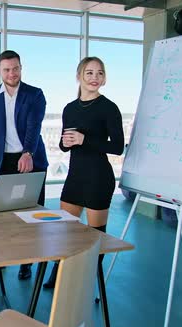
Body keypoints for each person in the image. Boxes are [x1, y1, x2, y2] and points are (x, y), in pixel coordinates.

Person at [43, 56, 124, 289]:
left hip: (99, 177)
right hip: (75, 177)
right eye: (89, 73)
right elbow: (62, 144)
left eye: (99, 73)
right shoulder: (69, 109)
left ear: (105, 78)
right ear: (79, 76)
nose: (94, 78)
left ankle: (91, 277)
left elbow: (117, 147)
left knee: (95, 234)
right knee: (65, 229)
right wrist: (66, 143)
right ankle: (58, 272)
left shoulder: (109, 108)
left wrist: (85, 139)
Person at [0, 50, 48, 281]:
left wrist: (27, 152)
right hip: (4, 161)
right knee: (2, 215)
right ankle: (3, 257)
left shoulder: (35, 94)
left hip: (32, 159)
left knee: (31, 214)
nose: (11, 73)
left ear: (21, 68)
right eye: (6, 69)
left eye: (15, 68)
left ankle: (26, 262)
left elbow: (34, 127)